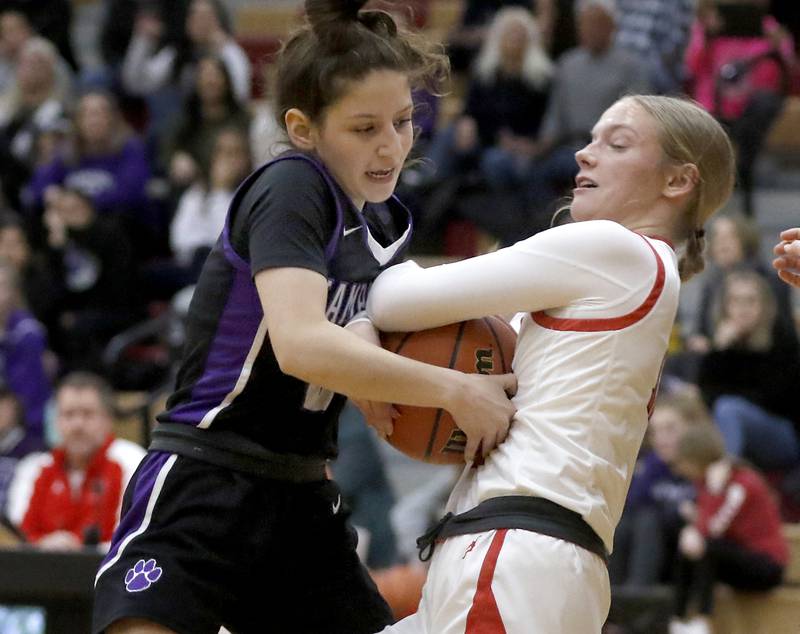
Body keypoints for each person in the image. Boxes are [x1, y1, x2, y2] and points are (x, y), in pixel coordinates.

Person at [92, 2, 515, 633]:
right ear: (303, 128)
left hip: (300, 495)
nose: (391, 145)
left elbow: (354, 317)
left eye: (403, 122)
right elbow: (299, 344)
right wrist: (453, 388)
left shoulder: (385, 220)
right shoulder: (293, 187)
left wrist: (373, 369)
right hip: (208, 476)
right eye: (364, 128)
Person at [366, 94, 736, 633]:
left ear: (677, 182)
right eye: (590, 139)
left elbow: (394, 301)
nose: (585, 154)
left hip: (512, 552)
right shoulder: (632, 280)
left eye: (617, 143)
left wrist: (355, 281)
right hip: (523, 555)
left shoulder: (617, 251)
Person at [669, 424, 788, 634]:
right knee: (689, 549)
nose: (680, 469)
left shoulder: (741, 483)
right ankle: (679, 618)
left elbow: (713, 529)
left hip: (767, 566)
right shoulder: (706, 483)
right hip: (736, 559)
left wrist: (713, 492)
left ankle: (702, 621)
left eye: (683, 462)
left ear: (698, 459)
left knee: (706, 548)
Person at [6, 372, 145, 549]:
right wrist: (45, 546)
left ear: (108, 419)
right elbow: (17, 541)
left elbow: (135, 539)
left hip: (108, 572)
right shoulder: (33, 467)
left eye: (88, 414)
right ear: (56, 421)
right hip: (41, 571)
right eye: (69, 414)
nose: (77, 424)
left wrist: (78, 552)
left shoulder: (132, 461)